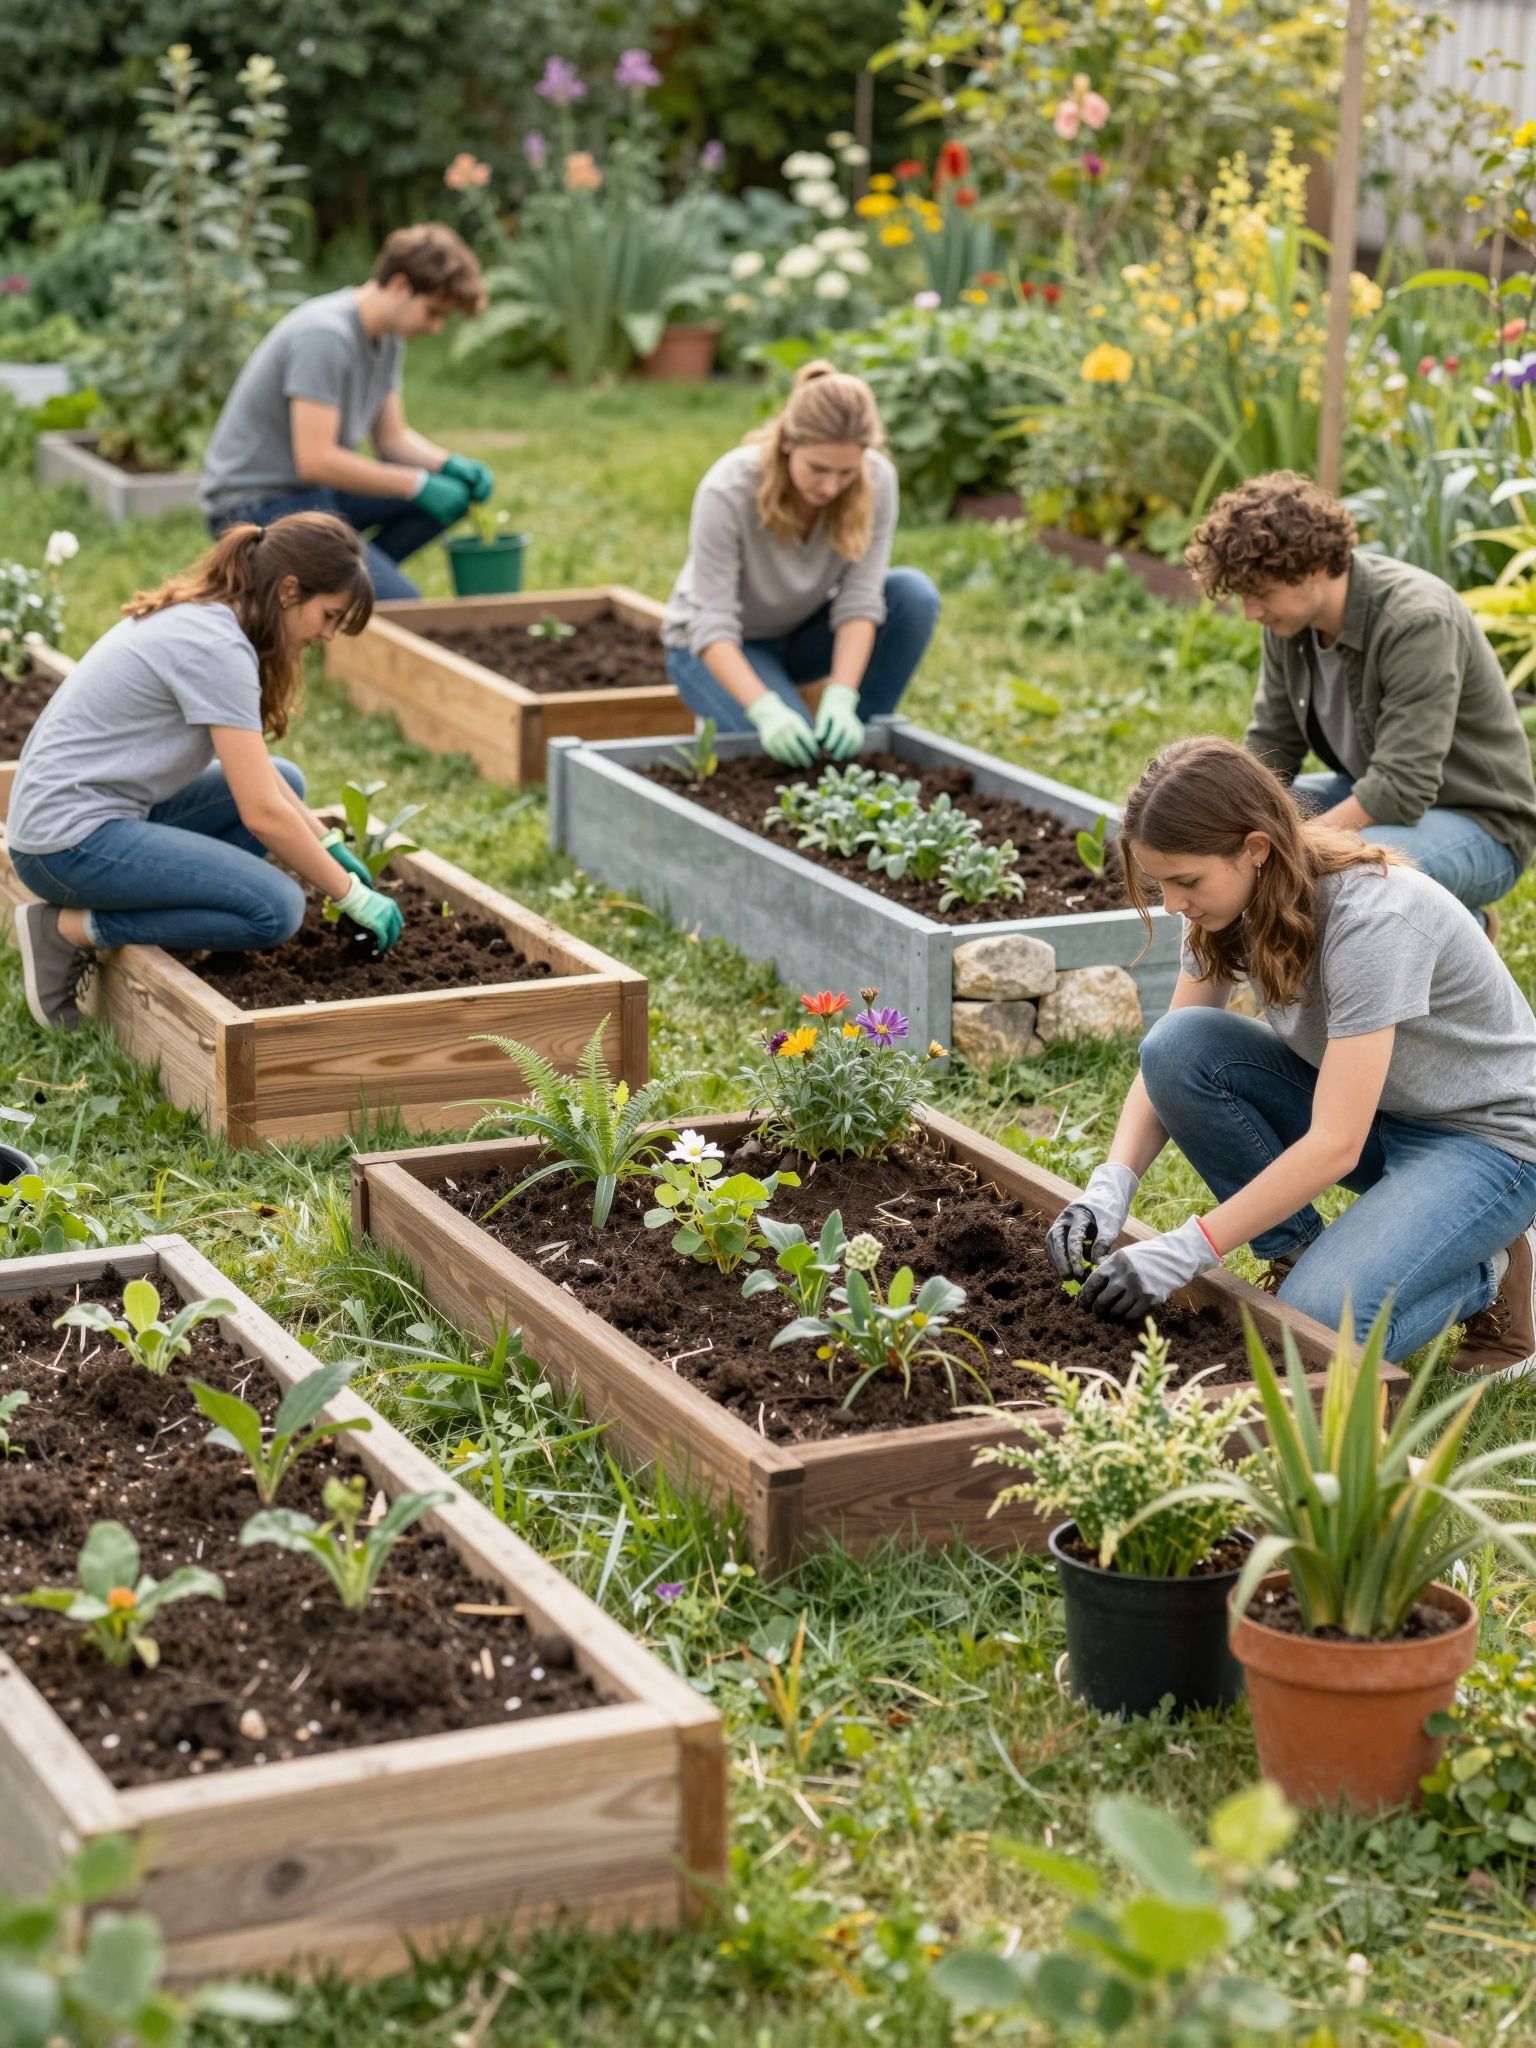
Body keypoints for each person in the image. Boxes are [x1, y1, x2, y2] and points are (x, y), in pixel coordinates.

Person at [1043, 736, 1536, 1383]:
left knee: (1312, 1332)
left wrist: (1190, 1247)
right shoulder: (1230, 903)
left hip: (1487, 1143)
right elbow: (1167, 1057)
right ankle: (1299, 1252)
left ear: (1255, 848)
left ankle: (1486, 1275)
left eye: (1185, 880)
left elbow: (1335, 1143)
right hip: (1379, 1111)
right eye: (1161, 882)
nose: (1171, 904)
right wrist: (1110, 1188)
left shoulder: (1373, 917)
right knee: (1180, 1045)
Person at [9, 513, 404, 1031]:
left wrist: (329, 848)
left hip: (89, 813)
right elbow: (261, 813)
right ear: (289, 590)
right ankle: (67, 930)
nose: (329, 634)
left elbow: (263, 779)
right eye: (328, 615)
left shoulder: (215, 618)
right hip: (64, 844)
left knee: (289, 779)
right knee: (276, 909)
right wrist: (351, 895)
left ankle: (187, 914)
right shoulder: (217, 648)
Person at [1185, 471, 1536, 932]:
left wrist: (1290, 846)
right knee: (1230, 834)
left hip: (1480, 824)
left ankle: (1453, 929)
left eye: (1262, 594)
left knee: (1343, 877)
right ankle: (1458, 925)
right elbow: (1272, 748)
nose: (1251, 613)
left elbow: (1400, 785)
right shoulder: (1288, 626)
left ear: (1312, 569)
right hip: (1370, 795)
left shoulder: (1416, 620)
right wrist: (1225, 819)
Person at [663, 360, 940, 766]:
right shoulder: (728, 489)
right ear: (788, 442)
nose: (830, 487)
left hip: (799, 632)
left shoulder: (877, 481)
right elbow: (712, 624)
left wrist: (844, 694)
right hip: (714, 647)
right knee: (788, 756)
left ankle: (858, 746)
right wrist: (765, 710)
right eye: (818, 469)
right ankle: (792, 734)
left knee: (912, 595)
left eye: (846, 472)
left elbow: (860, 601)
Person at [199, 224, 494, 601]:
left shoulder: (388, 338)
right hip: (255, 504)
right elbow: (316, 460)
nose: (436, 328)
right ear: (401, 286)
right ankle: (346, 589)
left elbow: (392, 438)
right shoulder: (325, 336)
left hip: (315, 496)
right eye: (433, 312)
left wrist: (449, 466)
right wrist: (417, 483)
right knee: (403, 603)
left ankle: (335, 588)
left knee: (451, 500)